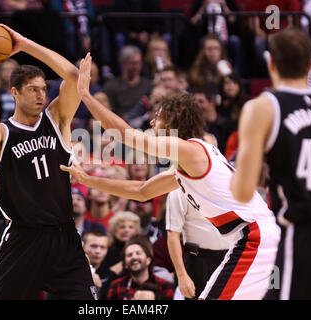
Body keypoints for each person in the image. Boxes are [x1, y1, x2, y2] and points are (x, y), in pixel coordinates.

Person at [62, 54, 281, 300]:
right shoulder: (185, 165)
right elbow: (142, 191)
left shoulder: (191, 150)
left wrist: (85, 94)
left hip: (254, 236)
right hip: (247, 237)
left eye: (159, 116)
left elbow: (128, 136)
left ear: (175, 120)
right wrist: (88, 180)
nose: (153, 121)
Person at [0, 23, 96, 300]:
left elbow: (73, 77)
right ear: (14, 92)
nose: (41, 95)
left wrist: (24, 44)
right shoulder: (4, 133)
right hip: (23, 238)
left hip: (64, 236)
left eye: (43, 89)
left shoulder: (56, 119)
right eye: (32, 90)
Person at [230, 27, 311, 300]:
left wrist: (258, 165)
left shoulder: (263, 107)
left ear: (270, 62)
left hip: (301, 234)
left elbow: (243, 192)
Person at [166, 188, 231, 300]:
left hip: (231, 256)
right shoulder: (178, 191)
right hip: (198, 261)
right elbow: (173, 237)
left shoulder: (227, 184)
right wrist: (181, 275)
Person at [106, 235, 174, 300]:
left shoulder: (165, 286)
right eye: (129, 255)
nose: (134, 257)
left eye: (138, 253)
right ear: (125, 264)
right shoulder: (116, 286)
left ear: (148, 260)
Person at [103, 45, 153, 118]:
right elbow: (108, 111)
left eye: (139, 63)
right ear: (123, 64)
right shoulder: (111, 86)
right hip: (118, 125)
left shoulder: (149, 85)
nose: (137, 67)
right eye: (133, 63)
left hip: (143, 125)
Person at [100, 211, 141, 278]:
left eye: (131, 227)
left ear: (136, 231)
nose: (126, 230)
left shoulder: (142, 251)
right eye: (122, 227)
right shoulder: (107, 251)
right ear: (114, 230)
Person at [82, 230, 112, 300]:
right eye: (93, 246)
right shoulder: (72, 273)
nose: (98, 251)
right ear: (83, 247)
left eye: (102, 247)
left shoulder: (110, 276)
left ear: (107, 250)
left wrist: (97, 289)